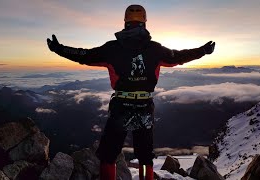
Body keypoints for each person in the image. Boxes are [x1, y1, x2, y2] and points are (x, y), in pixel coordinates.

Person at [47, 4, 215, 180]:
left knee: (109, 153)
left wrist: (59, 49)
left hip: (121, 106)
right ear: (145, 22)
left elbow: (84, 55)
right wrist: (202, 51)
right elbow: (179, 56)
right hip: (144, 106)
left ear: (125, 21)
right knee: (145, 156)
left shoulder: (112, 48)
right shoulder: (155, 49)